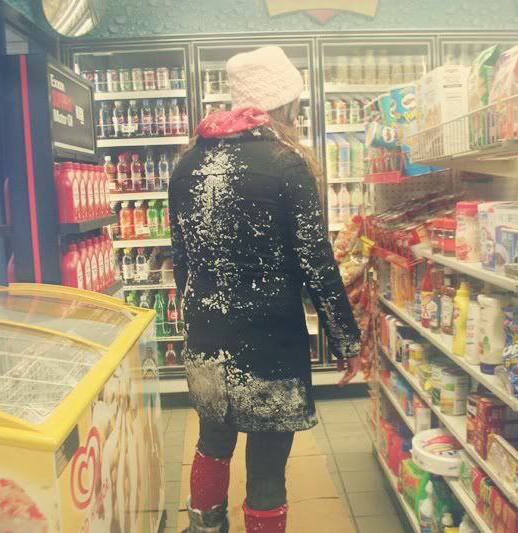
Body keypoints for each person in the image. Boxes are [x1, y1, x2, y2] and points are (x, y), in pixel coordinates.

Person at [169, 46, 362, 533]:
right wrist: (346, 340)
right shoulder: (286, 163)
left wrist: (194, 325)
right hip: (270, 342)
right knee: (268, 468)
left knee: (212, 443)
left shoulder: (187, 163)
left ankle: (205, 527)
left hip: (207, 339)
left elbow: (183, 262)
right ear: (286, 104)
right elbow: (316, 262)